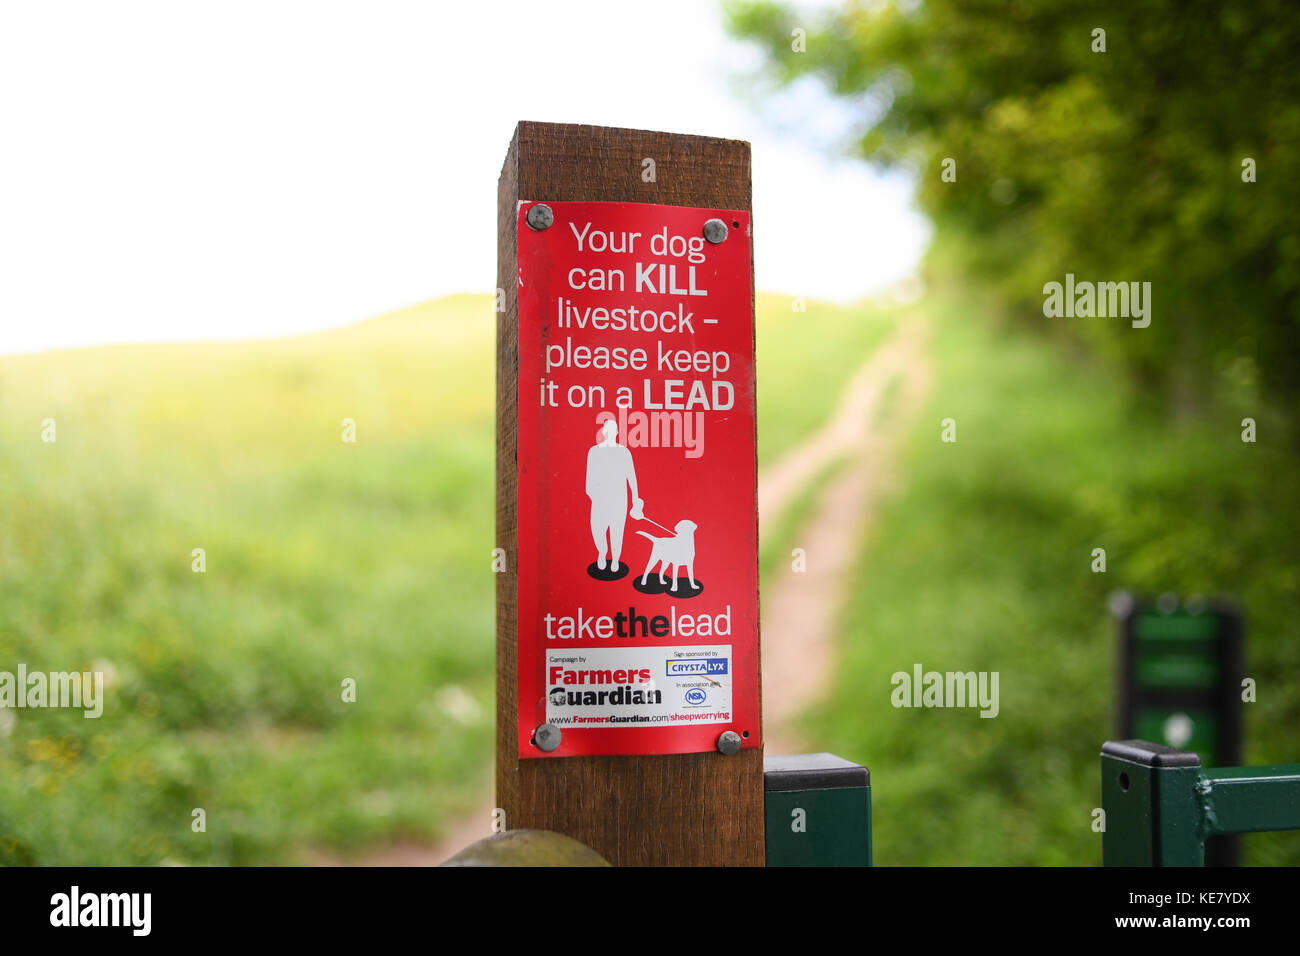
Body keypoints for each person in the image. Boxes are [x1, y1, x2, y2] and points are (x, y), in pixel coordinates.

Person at [585, 419, 643, 572]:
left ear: (617, 432)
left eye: (614, 429)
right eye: (607, 429)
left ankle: (616, 559)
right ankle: (602, 552)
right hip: (599, 500)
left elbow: (632, 478)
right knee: (597, 529)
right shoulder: (594, 452)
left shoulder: (624, 452)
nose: (611, 432)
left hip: (619, 501)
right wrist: (596, 497)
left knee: (617, 531)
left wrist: (635, 500)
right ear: (603, 432)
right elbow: (589, 481)